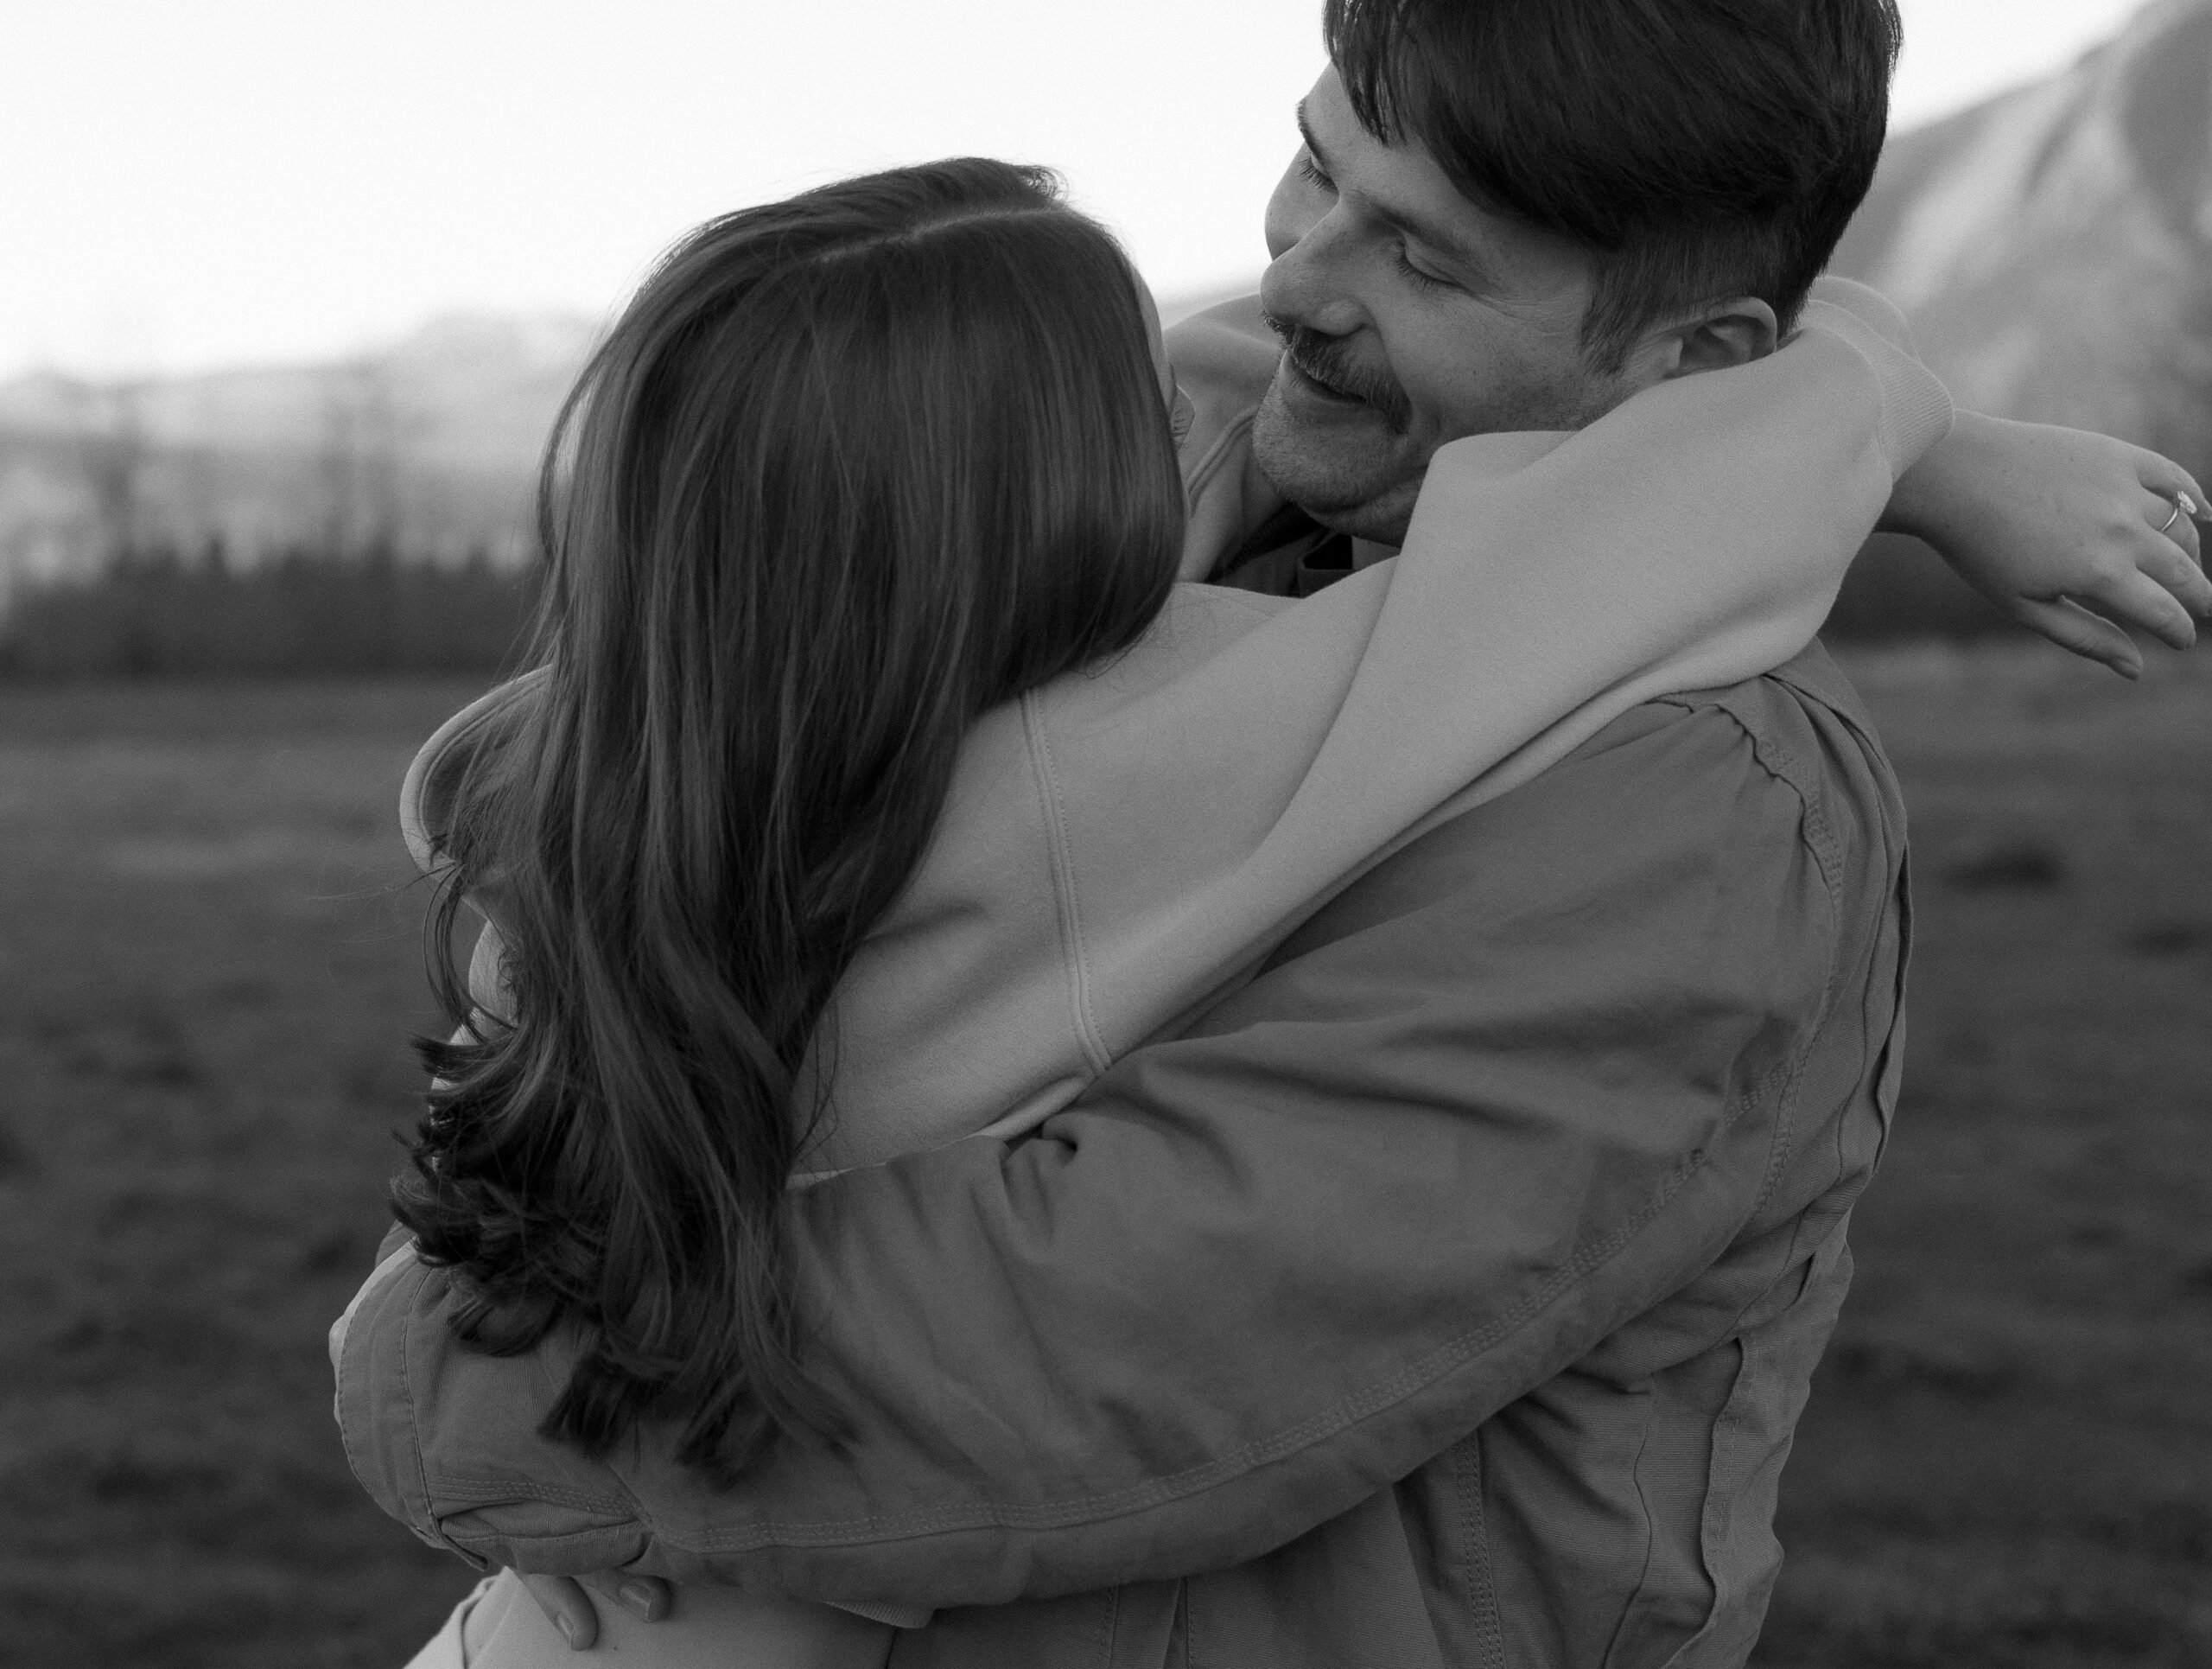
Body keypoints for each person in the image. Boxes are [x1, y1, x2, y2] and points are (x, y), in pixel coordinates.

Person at [338, 4, 2209, 1666]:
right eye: (1311, 168)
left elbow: (1091, 1363)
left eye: (1418, 253)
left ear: (1687, 366)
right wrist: (1911, 437)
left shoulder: (1698, 794)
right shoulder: (1181, 512)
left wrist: (451, 1367)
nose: (1302, 282)